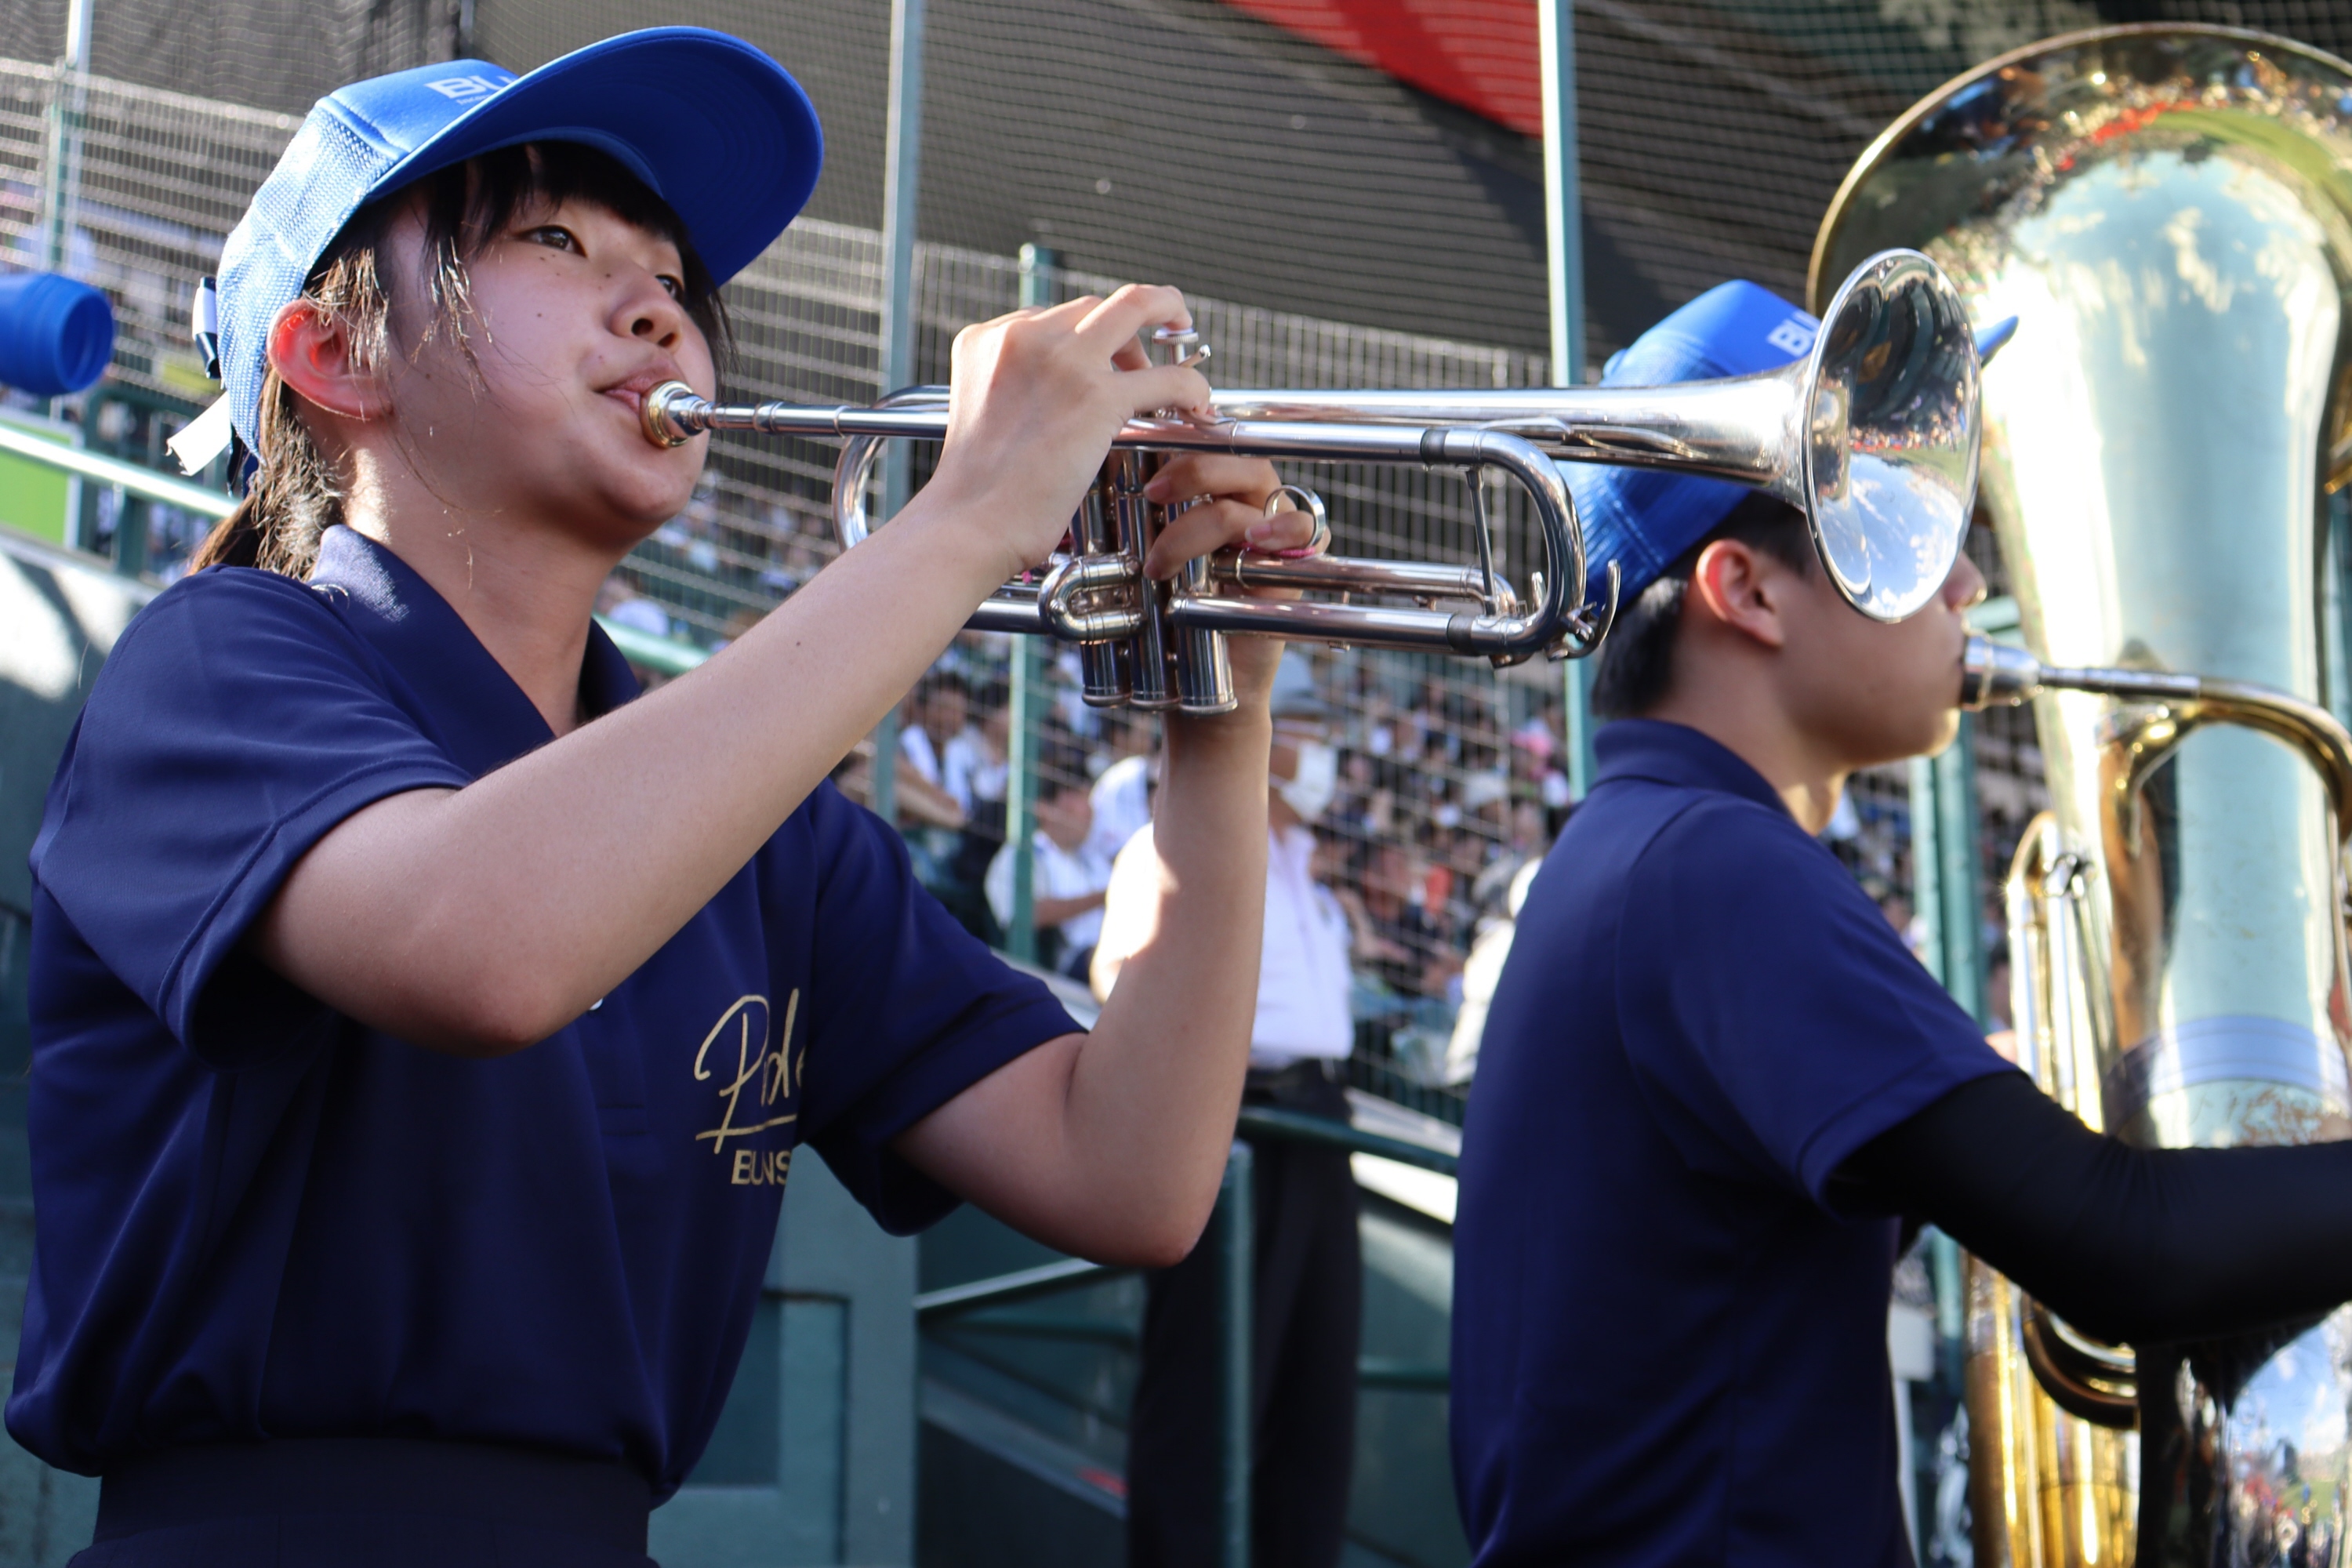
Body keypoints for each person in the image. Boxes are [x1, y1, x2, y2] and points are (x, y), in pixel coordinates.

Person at [8, 30, 1319, 1566]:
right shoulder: (216, 656)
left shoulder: (761, 821)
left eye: (676, 277)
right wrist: (965, 523)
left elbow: (1135, 1171)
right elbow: (484, 941)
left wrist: (1212, 719)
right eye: (554, 238)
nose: (659, 307)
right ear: (331, 356)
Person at [1450, 279, 2352, 1567]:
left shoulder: (1647, 848)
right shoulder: (1709, 866)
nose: (1968, 575)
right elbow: (2121, 1250)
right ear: (1745, 590)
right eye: (1896, 511)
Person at [1095, 653, 1359, 1568]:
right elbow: (1116, 983)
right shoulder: (1162, 846)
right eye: (1310, 729)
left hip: (1322, 1125)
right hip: (1236, 1128)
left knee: (1313, 1399)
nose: (1323, 750)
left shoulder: (1311, 877)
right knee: (1206, 1395)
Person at [984, 768, 1113, 978]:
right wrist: (1103, 897)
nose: (1088, 813)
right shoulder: (1022, 853)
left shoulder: (1092, 858)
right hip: (1065, 968)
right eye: (1074, 805)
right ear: (1045, 808)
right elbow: (1024, 913)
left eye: (1088, 803)